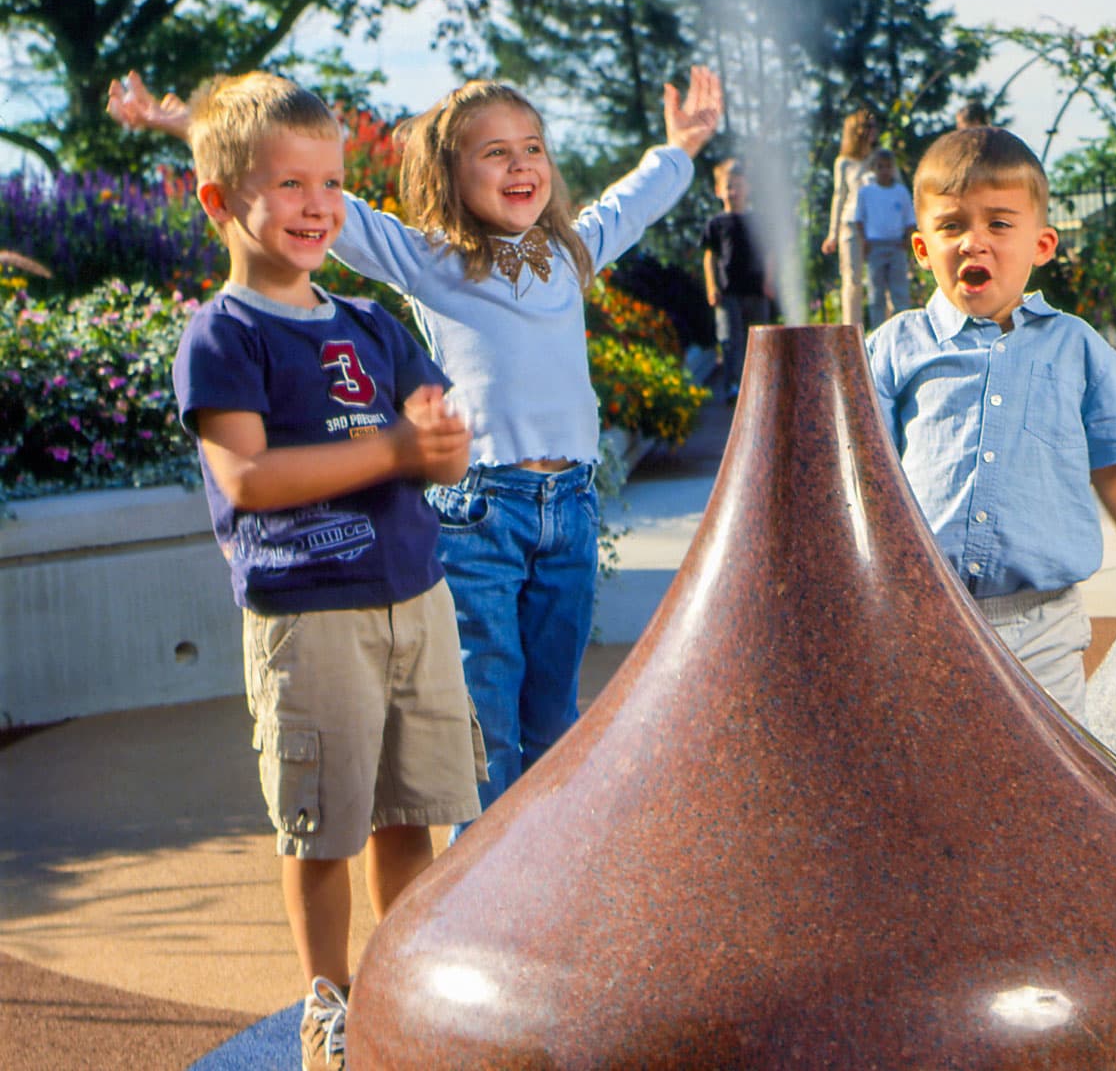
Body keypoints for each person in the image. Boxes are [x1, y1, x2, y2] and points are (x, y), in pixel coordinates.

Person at [111, 68, 723, 829]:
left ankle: (546, 879)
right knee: (487, 719)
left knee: (555, 717)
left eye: (532, 148)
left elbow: (632, 204)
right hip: (478, 514)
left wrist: (682, 148)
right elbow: (333, 208)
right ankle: (481, 892)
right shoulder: (431, 261)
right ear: (449, 173)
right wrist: (188, 126)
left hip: (569, 508)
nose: (522, 164)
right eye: (495, 153)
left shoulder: (568, 254)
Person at [164, 72, 481, 1071]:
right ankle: (330, 1002)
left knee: (409, 812)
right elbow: (250, 476)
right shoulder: (225, 334)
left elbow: (438, 442)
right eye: (289, 184)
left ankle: (401, 985)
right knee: (323, 824)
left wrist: (437, 444)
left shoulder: (374, 324)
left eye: (331, 183)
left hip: (413, 602)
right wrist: (391, 451)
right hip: (311, 615)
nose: (316, 206)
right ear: (220, 201)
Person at [866, 127, 1116, 715]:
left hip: (1042, 623)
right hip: (923, 618)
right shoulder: (893, 349)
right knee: (936, 782)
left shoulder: (1078, 348)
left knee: (1055, 788)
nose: (973, 243)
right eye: (952, 225)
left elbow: (1113, 464)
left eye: (999, 225)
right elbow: (861, 475)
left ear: (1042, 244)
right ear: (922, 248)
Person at [703, 158, 773, 402]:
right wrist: (712, 286)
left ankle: (759, 385)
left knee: (760, 339)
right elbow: (710, 257)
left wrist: (769, 281)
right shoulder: (716, 223)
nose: (734, 191)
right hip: (728, 292)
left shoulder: (758, 221)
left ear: (748, 188)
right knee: (731, 340)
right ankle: (734, 386)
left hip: (756, 290)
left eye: (739, 185)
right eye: (729, 186)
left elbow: (768, 253)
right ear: (719, 190)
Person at [820, 108, 876, 325]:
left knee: (879, 281)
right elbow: (839, 197)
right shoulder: (843, 162)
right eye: (868, 126)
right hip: (850, 224)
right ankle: (852, 331)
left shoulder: (881, 158)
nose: (873, 131)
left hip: (878, 227)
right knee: (852, 280)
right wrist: (832, 234)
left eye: (874, 126)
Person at [852, 148, 915, 327]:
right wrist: (864, 241)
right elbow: (859, 219)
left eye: (888, 167)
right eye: (880, 167)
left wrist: (906, 241)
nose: (884, 171)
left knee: (900, 292)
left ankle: (903, 330)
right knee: (876, 293)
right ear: (874, 169)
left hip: (896, 245)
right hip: (875, 245)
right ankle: (877, 330)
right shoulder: (866, 192)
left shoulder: (900, 192)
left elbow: (909, 219)